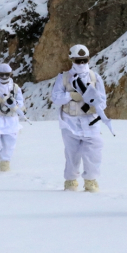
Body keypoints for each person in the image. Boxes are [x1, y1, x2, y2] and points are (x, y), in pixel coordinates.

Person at [51, 44, 107, 192]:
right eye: (78, 61)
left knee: (94, 152)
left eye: (84, 60)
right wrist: (70, 96)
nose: (81, 64)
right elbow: (55, 98)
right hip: (70, 122)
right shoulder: (63, 78)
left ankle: (91, 180)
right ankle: (70, 181)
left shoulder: (95, 77)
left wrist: (95, 104)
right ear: (72, 60)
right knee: (72, 154)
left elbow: (103, 100)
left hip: (91, 122)